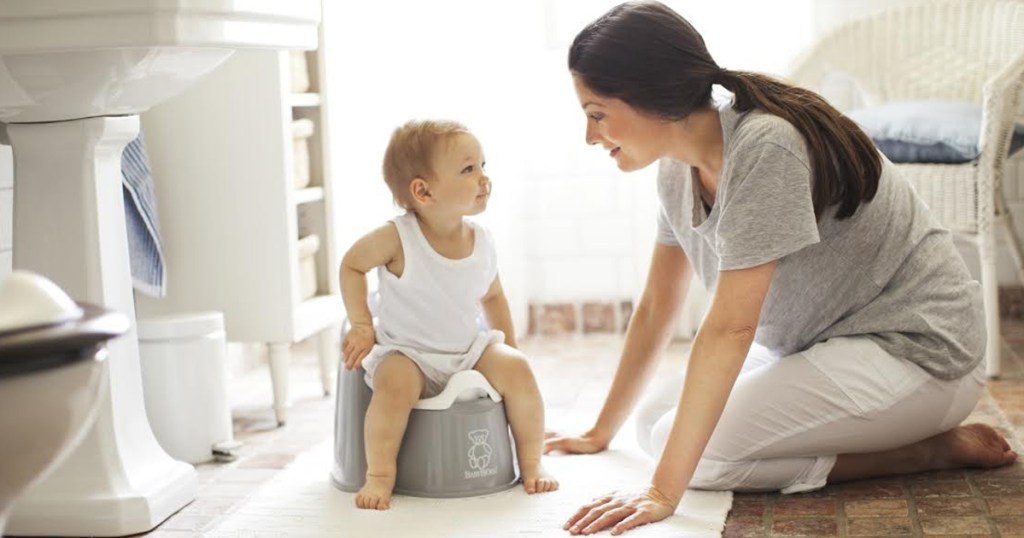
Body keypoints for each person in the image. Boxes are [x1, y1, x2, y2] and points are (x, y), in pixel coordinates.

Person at [542, 2, 1018, 535]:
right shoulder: (676, 172)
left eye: (597, 114)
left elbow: (731, 328)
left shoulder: (766, 146)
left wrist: (661, 493)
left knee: (698, 460)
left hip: (919, 353)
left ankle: (926, 452)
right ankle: (914, 445)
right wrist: (600, 431)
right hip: (822, 344)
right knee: (652, 424)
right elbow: (656, 307)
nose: (590, 136)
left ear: (650, 94)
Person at [340, 119, 558, 510]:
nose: (484, 177)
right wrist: (361, 324)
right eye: (468, 169)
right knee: (393, 386)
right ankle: (379, 475)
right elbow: (352, 265)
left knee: (519, 370)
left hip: (467, 351)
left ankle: (531, 462)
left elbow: (493, 296)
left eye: (483, 165)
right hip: (408, 354)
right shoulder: (397, 237)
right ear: (423, 191)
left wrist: (508, 347)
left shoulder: (482, 241)